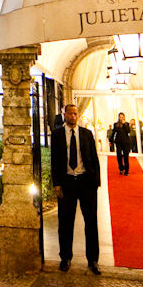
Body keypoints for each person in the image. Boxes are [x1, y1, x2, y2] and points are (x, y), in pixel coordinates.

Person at [51, 103, 102, 274]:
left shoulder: (87, 134)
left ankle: (93, 260)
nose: (73, 116)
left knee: (91, 222)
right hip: (67, 183)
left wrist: (96, 182)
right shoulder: (57, 135)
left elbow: (94, 159)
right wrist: (56, 183)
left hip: (85, 182)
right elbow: (55, 160)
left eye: (75, 113)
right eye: (70, 114)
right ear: (64, 115)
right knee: (65, 222)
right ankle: (65, 258)